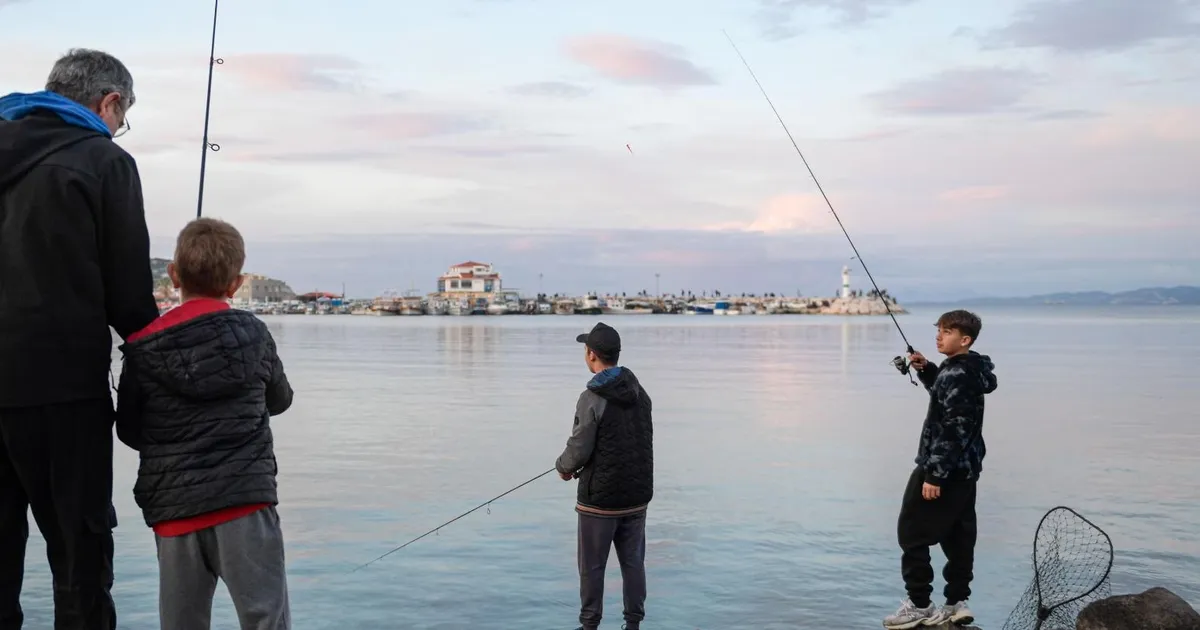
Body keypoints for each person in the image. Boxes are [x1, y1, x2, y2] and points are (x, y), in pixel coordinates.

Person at [0, 49, 157, 629]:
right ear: (108, 101)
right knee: (79, 556)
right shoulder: (104, 162)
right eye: (124, 116)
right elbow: (131, 303)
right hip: (61, 391)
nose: (119, 129)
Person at [115, 218, 294, 630]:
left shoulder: (143, 346)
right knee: (266, 618)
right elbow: (280, 400)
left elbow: (129, 431)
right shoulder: (254, 333)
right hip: (246, 502)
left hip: (175, 510)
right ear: (236, 283)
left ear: (174, 275)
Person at [883, 310, 998, 630]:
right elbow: (948, 397)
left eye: (947, 332)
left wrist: (934, 474)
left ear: (965, 340)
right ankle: (956, 602)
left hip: (942, 468)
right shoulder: (970, 370)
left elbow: (954, 426)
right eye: (939, 330)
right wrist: (928, 370)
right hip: (966, 470)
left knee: (911, 533)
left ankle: (920, 604)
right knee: (959, 535)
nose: (939, 336)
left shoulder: (956, 374)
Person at [555, 322, 653, 630]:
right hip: (637, 497)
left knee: (592, 568)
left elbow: (579, 448)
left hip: (600, 500)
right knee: (634, 563)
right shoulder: (640, 392)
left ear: (592, 354)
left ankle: (589, 625)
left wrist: (563, 467)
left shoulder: (592, 397)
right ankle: (633, 624)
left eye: (586, 350)